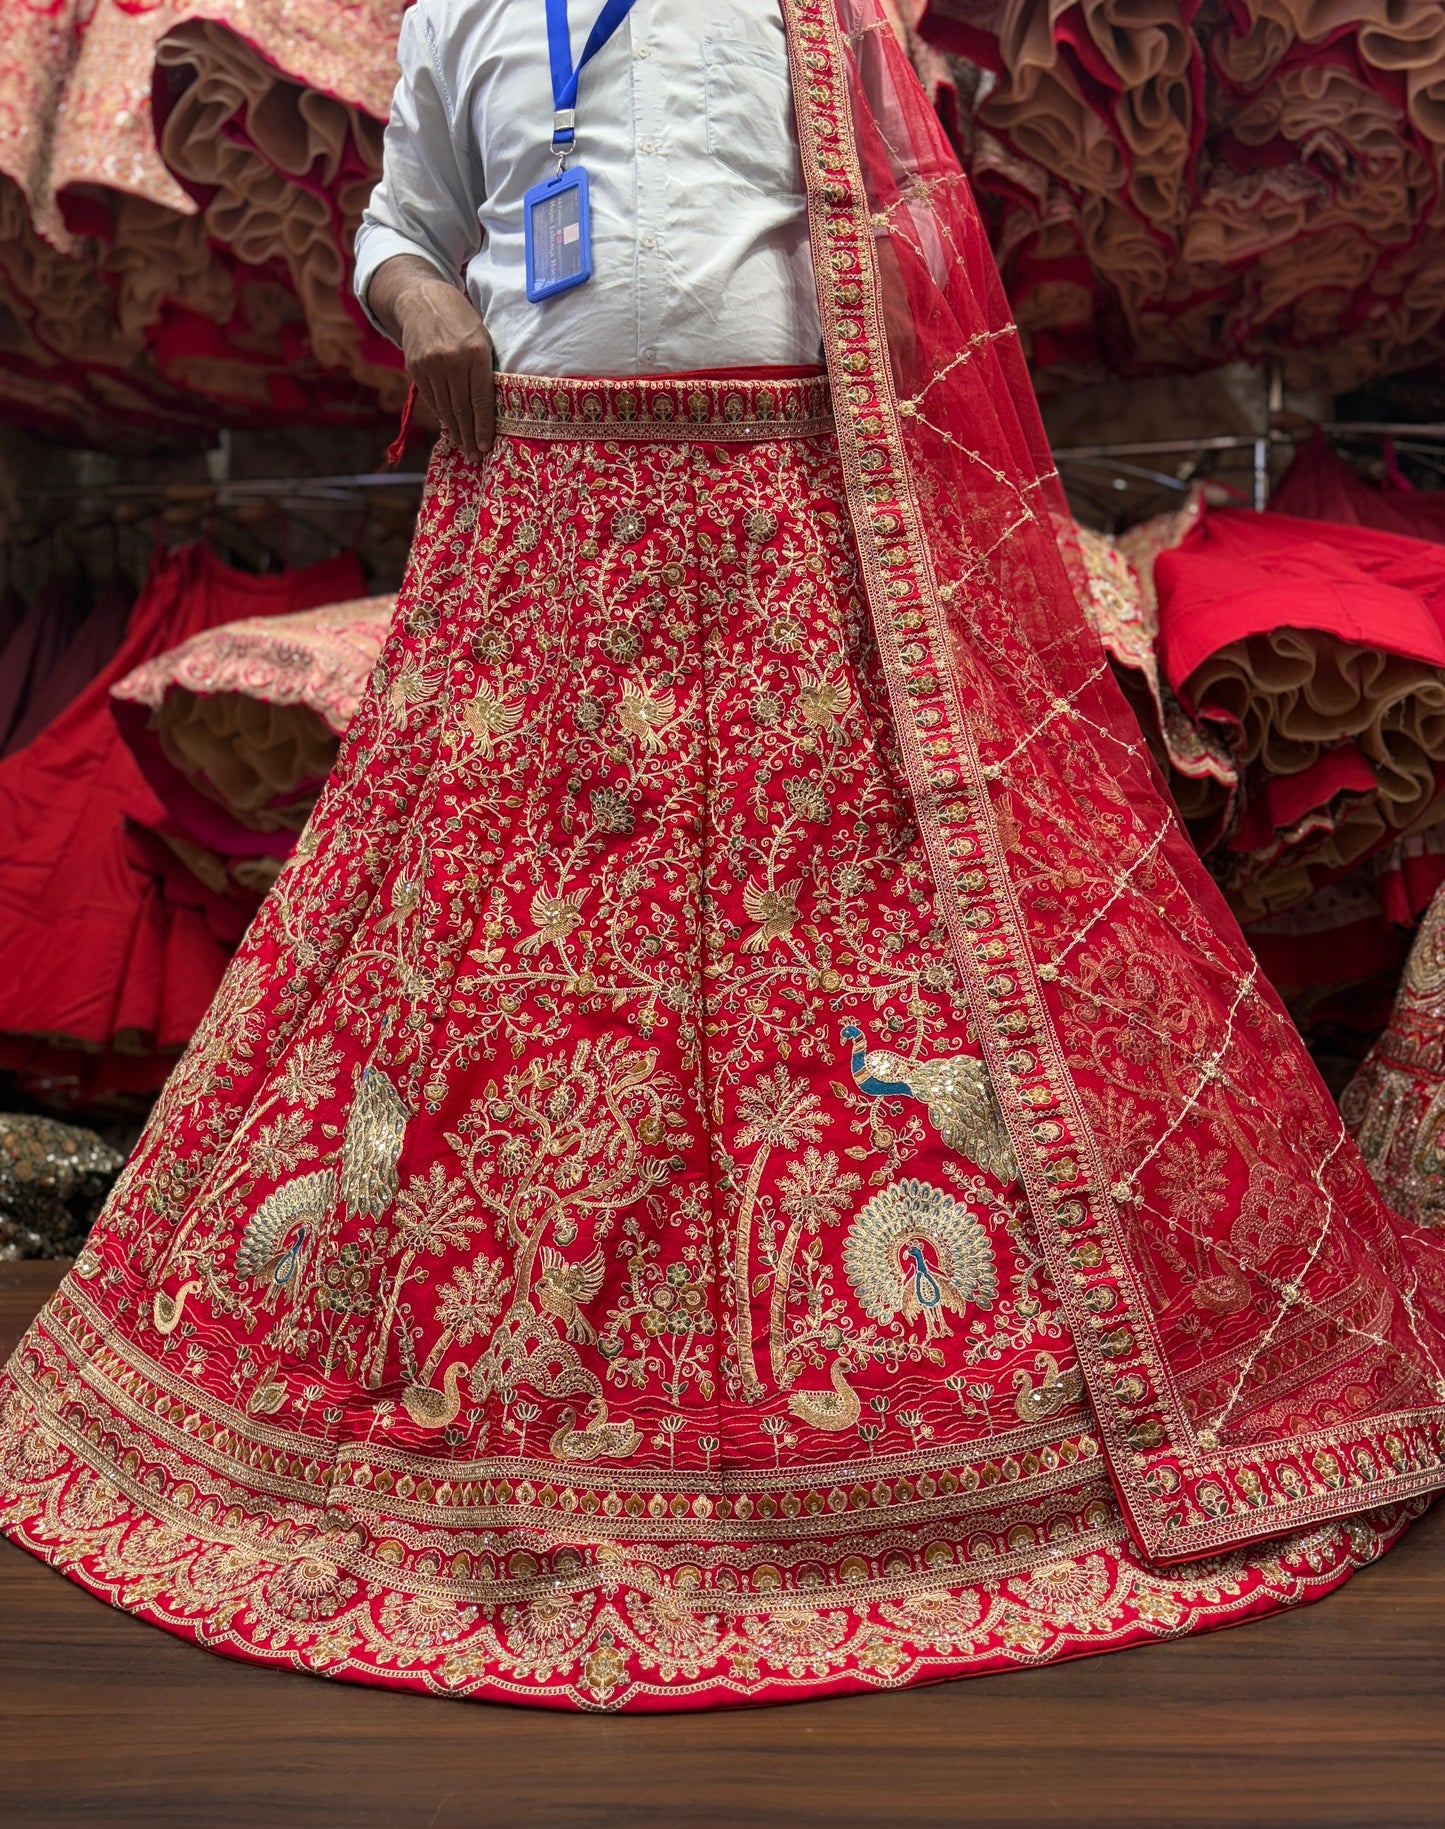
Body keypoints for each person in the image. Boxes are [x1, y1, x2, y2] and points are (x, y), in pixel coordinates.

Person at [2, 0, 1443, 1713]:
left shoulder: (815, 8)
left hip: (799, 538)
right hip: (543, 537)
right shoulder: (464, 13)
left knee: (856, 952)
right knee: (506, 967)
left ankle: (945, 1424)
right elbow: (403, 220)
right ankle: (512, 1400)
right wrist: (424, 299)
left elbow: (915, 243)